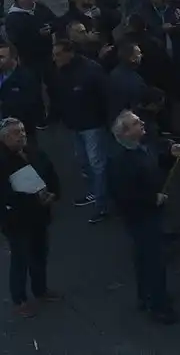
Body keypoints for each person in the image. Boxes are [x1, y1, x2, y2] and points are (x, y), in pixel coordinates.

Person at [107, 110, 180, 323]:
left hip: (149, 212)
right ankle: (159, 306)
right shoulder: (119, 161)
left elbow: (156, 160)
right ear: (125, 132)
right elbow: (125, 196)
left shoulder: (140, 147)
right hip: (141, 216)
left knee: (144, 258)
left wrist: (172, 153)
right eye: (135, 123)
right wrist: (153, 199)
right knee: (153, 260)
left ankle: (146, 295)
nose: (142, 123)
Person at [0, 117, 62, 317]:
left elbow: (50, 172)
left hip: (39, 216)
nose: (22, 135)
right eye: (16, 133)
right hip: (16, 221)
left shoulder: (33, 151)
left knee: (40, 253)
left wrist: (54, 192)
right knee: (20, 259)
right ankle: (19, 299)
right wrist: (33, 201)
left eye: (22, 131)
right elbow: (6, 195)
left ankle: (40, 289)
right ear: (4, 138)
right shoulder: (3, 162)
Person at [49, 37, 109, 223]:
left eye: (58, 54)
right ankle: (95, 192)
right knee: (84, 162)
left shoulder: (91, 71)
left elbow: (105, 96)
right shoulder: (61, 71)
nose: (55, 58)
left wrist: (106, 120)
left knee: (97, 164)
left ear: (70, 53)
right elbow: (59, 96)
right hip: (74, 124)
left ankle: (102, 204)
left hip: (92, 125)